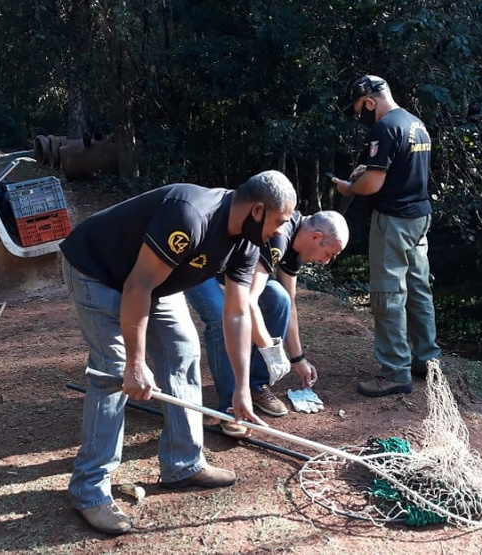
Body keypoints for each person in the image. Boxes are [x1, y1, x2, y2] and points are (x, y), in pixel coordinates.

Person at [60, 170, 297, 535]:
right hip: (99, 270)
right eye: (279, 221)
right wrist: (137, 364)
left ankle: (183, 463)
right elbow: (137, 286)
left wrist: (241, 388)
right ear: (257, 210)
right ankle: (89, 491)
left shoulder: (248, 243)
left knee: (184, 351)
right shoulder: (190, 215)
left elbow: (234, 313)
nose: (281, 232)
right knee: (114, 370)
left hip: (156, 280)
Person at [185, 211, 349, 435]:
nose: (326, 261)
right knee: (220, 315)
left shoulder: (296, 247)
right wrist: (270, 349)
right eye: (328, 253)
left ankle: (254, 385)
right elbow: (248, 302)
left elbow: (288, 303)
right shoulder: (279, 236)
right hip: (199, 262)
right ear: (316, 237)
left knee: (279, 298)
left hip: (232, 268)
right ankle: (231, 407)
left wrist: (298, 359)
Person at [332, 74, 442, 397]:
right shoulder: (415, 123)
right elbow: (400, 170)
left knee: (388, 293)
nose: (360, 116)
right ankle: (427, 360)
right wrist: (365, 173)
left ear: (369, 101)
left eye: (359, 109)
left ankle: (395, 371)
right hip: (420, 217)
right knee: (419, 289)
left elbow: (373, 185)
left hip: (393, 220)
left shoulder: (385, 127)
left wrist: (350, 186)